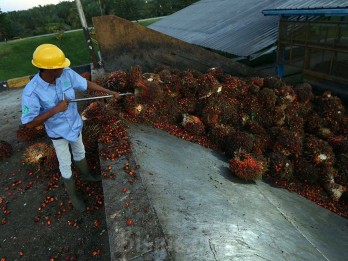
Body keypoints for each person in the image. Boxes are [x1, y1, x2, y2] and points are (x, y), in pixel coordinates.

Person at [21, 43, 120, 211]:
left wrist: (108, 92)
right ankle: (73, 194)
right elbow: (29, 123)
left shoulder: (65, 74)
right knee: (65, 163)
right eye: (60, 66)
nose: (65, 68)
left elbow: (86, 84)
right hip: (58, 134)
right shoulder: (32, 92)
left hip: (75, 125)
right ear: (48, 69)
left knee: (80, 151)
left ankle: (87, 175)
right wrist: (55, 109)